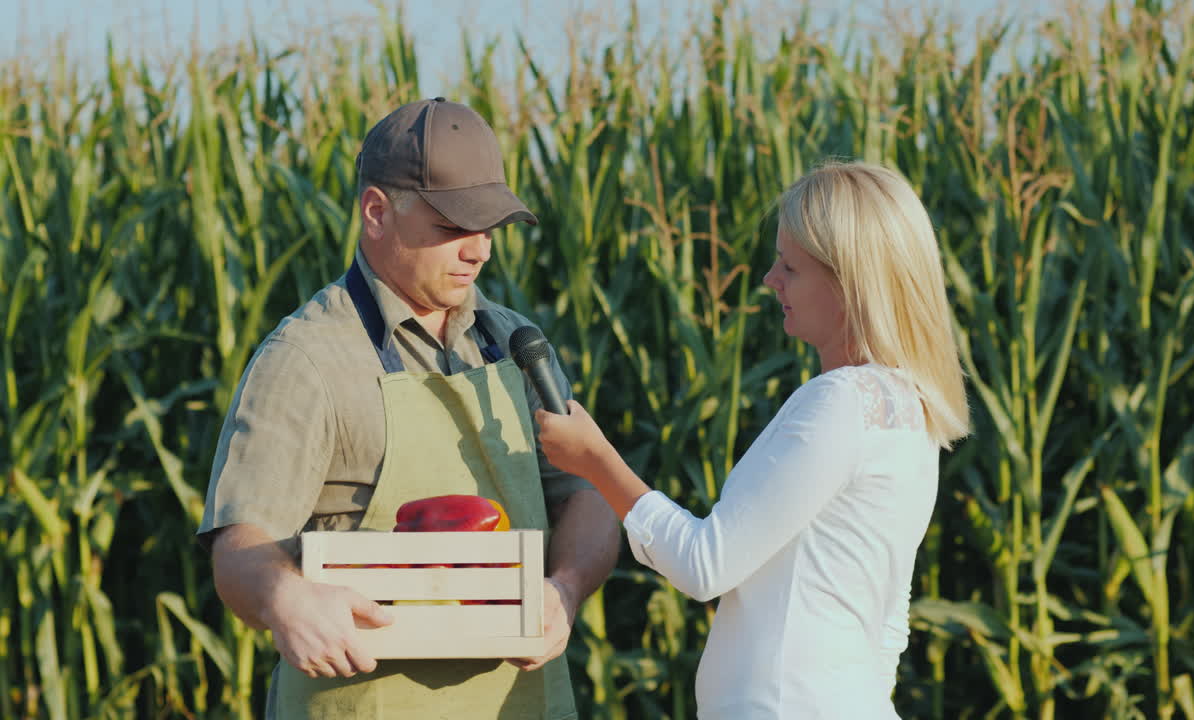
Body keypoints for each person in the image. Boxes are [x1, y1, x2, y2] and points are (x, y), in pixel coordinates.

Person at [197, 98, 619, 720]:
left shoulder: (514, 344)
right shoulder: (306, 359)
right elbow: (239, 546)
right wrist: (284, 598)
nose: (480, 251)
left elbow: (588, 494)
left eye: (490, 227)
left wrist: (565, 589)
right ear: (376, 212)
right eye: (454, 226)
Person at [536, 161, 970, 719]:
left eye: (790, 266)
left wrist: (595, 461)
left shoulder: (842, 401)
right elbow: (889, 622)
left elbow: (704, 564)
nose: (771, 280)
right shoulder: (908, 408)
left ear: (849, 283)